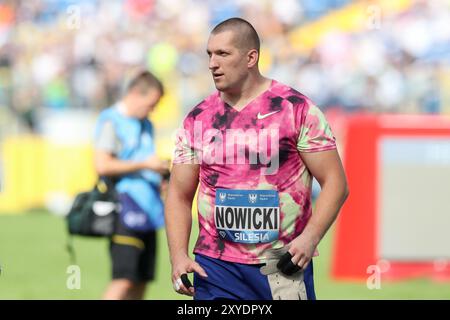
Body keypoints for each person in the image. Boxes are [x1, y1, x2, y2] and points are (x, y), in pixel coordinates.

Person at [165, 17, 349, 300]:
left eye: (223, 54)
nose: (213, 63)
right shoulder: (197, 118)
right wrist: (178, 256)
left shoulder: (296, 109)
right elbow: (178, 193)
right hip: (215, 267)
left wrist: (310, 238)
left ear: (251, 57)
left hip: (282, 264)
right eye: (209, 54)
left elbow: (335, 183)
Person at [94, 70, 169, 300]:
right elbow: (102, 165)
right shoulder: (111, 120)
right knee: (123, 279)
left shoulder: (147, 124)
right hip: (124, 208)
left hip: (149, 210)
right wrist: (146, 164)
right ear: (136, 93)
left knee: (142, 281)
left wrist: (162, 176)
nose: (152, 109)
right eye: (151, 103)